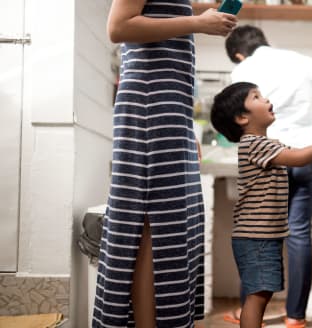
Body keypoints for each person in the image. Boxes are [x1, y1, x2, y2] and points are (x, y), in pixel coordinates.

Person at [92, 1, 237, 328]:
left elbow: (161, 8)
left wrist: (202, 9)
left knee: (166, 227)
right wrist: (198, 23)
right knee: (151, 226)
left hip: (165, 110)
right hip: (150, 107)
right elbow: (119, 27)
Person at [223, 25, 312, 327]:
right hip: (307, 149)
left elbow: (239, 122)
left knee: (259, 230)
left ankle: (248, 312)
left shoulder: (244, 69)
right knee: (299, 232)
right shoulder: (305, 62)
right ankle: (295, 316)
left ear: (239, 54)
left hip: (269, 155)